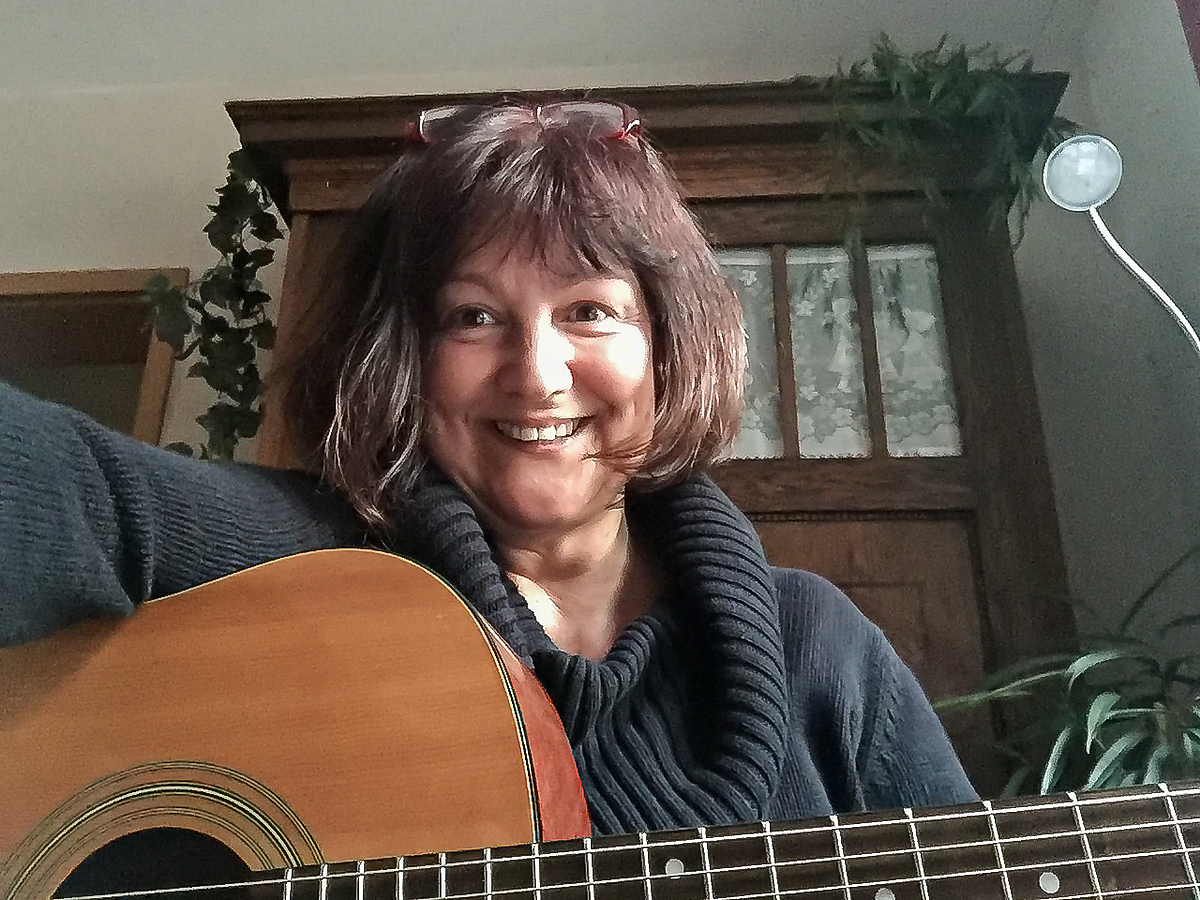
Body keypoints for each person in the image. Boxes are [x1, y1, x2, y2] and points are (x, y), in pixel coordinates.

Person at [0, 100, 975, 836]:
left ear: (668, 346)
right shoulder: (308, 563)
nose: (537, 374)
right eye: (472, 316)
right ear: (402, 356)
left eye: (590, 310)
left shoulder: (821, 647)